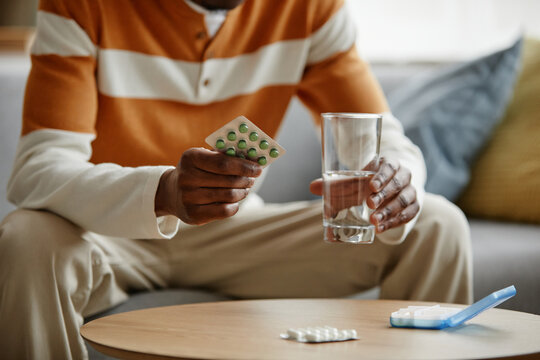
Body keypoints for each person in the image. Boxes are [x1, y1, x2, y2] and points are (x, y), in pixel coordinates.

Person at [0, 0, 473, 358]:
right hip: (105, 237)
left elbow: (382, 135)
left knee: (438, 223)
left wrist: (396, 178)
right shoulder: (80, 5)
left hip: (237, 236)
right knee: (26, 236)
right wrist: (163, 192)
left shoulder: (310, 9)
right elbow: (38, 169)